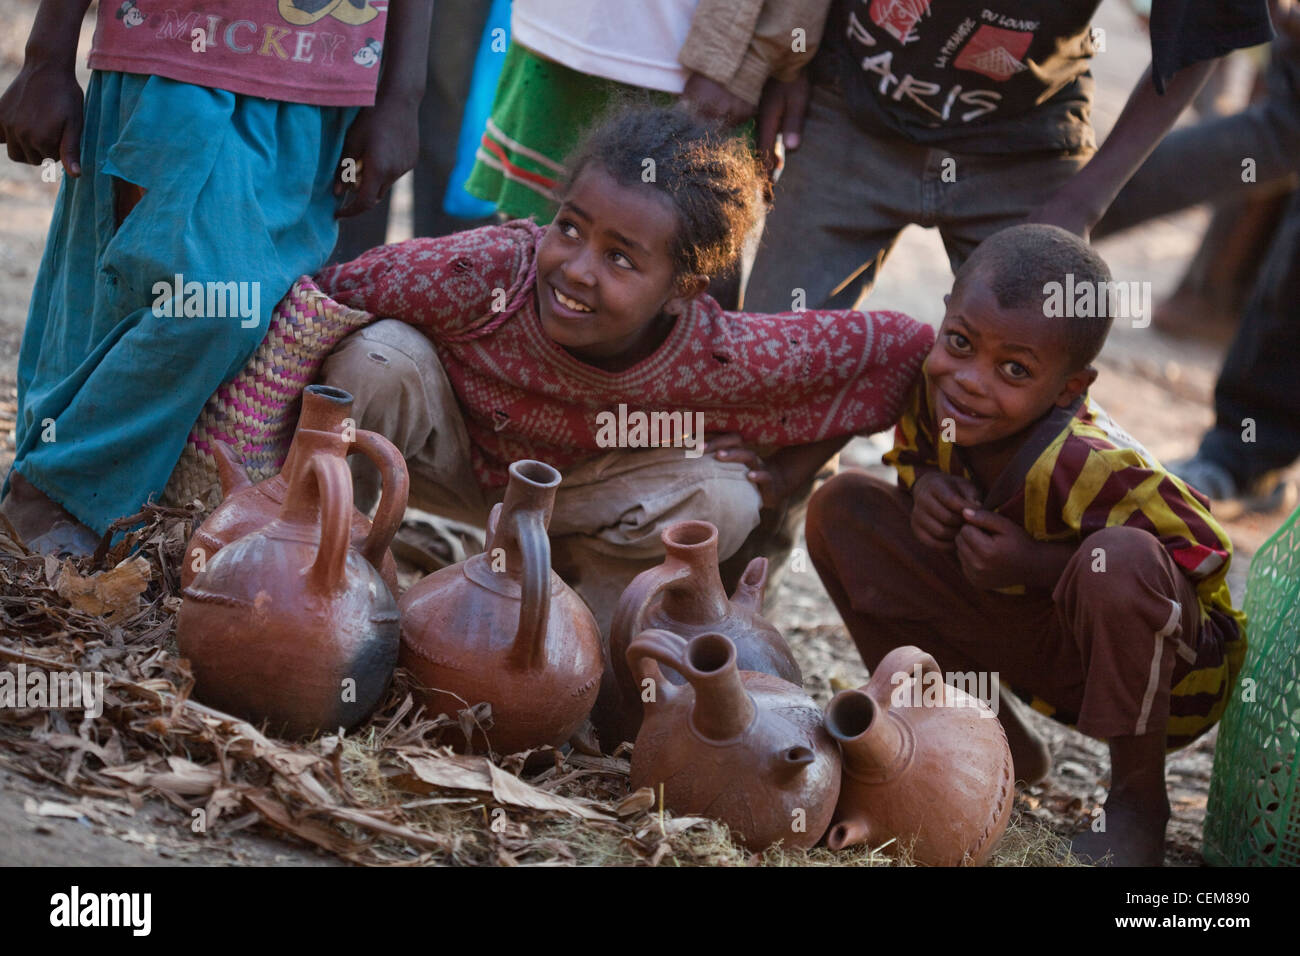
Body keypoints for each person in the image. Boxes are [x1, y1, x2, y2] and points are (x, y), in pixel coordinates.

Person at [314, 105, 934, 634]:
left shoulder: (718, 354)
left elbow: (900, 354)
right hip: (441, 462)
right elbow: (323, 295)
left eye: (619, 258)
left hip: (579, 503)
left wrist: (780, 475)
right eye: (570, 228)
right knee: (380, 355)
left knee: (726, 499)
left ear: (682, 290)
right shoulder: (484, 274)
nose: (578, 268)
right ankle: (329, 572)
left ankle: (585, 646)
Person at [805, 224, 1246, 866]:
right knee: (843, 510)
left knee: (1120, 560)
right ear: (947, 316)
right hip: (1035, 636)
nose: (970, 381)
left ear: (1071, 387)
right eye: (960, 341)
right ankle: (981, 736)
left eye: (1014, 369)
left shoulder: (1091, 464)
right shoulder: (939, 398)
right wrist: (925, 484)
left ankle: (1136, 803)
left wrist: (1040, 565)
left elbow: (1204, 556)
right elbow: (910, 457)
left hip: (1168, 682)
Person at [0, 0, 433, 555]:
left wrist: (402, 95)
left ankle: (125, 515)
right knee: (193, 301)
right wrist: (46, 53)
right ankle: (51, 493)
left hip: (321, 90)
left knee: (246, 317)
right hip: (173, 57)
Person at [743, 0, 1276, 314]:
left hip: (1027, 143)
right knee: (768, 371)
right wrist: (789, 59)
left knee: (1027, 396)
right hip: (850, 106)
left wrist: (1082, 202)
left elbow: (1207, 25)